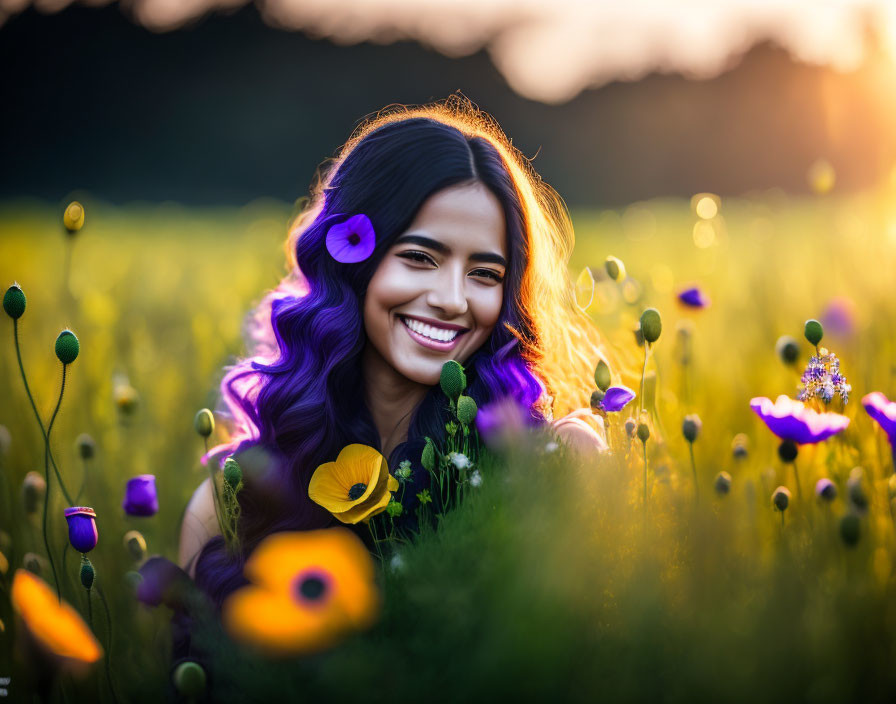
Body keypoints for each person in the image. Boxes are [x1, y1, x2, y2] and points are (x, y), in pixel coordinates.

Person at [178, 96, 608, 607]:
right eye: (420, 257)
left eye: (485, 274)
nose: (452, 299)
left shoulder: (547, 470)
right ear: (351, 260)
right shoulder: (226, 505)